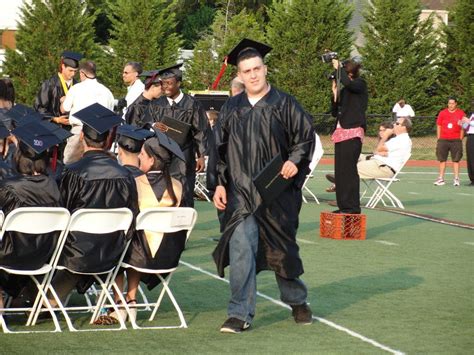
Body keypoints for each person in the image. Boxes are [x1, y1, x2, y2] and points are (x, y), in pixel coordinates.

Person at [212, 39, 315, 333]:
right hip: (241, 194)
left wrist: (295, 160)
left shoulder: (285, 103)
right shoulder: (232, 107)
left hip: (276, 192)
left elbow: (305, 138)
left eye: (257, 68)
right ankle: (239, 313)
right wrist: (219, 183)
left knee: (282, 253)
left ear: (265, 69)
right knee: (242, 248)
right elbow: (219, 149)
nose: (253, 75)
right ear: (240, 76)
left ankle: (297, 300)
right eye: (247, 71)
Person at [49, 104, 137, 305]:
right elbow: (133, 214)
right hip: (113, 249)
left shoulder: (71, 172)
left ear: (81, 137)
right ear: (108, 140)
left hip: (75, 251)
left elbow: (62, 212)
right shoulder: (125, 175)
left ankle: (44, 300)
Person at [110, 131, 185, 323]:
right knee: (140, 239)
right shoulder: (178, 186)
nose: (139, 157)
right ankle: (132, 298)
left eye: (142, 154)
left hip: (141, 257)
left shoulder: (134, 183)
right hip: (168, 255)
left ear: (151, 160)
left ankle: (119, 302)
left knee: (118, 242)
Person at [0, 120, 67, 311]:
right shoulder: (55, 186)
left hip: (11, 255)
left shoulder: (8, 187)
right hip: (45, 255)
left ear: (19, 156)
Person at [143, 64, 208, 207]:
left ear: (178, 83)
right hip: (161, 153)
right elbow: (145, 122)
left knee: (183, 189)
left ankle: (182, 224)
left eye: (169, 83)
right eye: (162, 83)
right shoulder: (156, 104)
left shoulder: (192, 104)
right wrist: (154, 125)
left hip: (183, 154)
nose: (165, 87)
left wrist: (201, 155)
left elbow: (200, 131)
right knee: (162, 191)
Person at [330, 57, 368, 214]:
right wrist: (334, 94)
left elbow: (350, 84)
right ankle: (343, 206)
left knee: (349, 171)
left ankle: (352, 207)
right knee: (340, 172)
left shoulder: (360, 84)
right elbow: (334, 112)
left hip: (352, 132)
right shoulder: (345, 90)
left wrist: (338, 67)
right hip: (340, 132)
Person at [60, 60, 115, 165]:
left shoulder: (76, 89)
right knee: (97, 164)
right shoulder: (107, 92)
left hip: (78, 131)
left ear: (82, 73)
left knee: (70, 164)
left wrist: (62, 101)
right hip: (100, 134)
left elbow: (64, 109)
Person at [325, 121, 395, 192]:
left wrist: (381, 146)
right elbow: (378, 152)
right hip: (374, 160)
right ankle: (339, 181)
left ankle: (339, 182)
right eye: (380, 130)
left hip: (381, 166)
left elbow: (381, 152)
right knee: (352, 155)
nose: (381, 132)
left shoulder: (392, 141)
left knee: (352, 169)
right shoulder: (385, 141)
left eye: (383, 130)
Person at [34, 51, 82, 126]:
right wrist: (55, 119)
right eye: (70, 70)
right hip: (54, 127)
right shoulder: (50, 84)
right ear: (63, 66)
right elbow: (39, 107)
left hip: (73, 127)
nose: (73, 74)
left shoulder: (77, 85)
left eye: (75, 71)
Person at [434, 97, 465, 186]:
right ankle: (441, 179)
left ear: (456, 104)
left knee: (456, 160)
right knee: (442, 159)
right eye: (449, 103)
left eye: (452, 103)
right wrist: (439, 138)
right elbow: (439, 126)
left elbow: (463, 127)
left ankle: (456, 179)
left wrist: (460, 138)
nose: (450, 105)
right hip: (443, 140)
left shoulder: (461, 113)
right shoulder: (442, 113)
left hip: (456, 140)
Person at [461, 102, 474, 185]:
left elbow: (470, 123)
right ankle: (472, 178)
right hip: (470, 137)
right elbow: (465, 126)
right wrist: (462, 123)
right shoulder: (471, 114)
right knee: (470, 158)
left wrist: (468, 121)